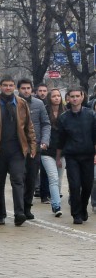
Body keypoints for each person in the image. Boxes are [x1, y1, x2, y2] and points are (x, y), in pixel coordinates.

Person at [0, 75, 36, 226]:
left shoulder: (21, 103)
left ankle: (19, 213)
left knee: (18, 180)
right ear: (0, 86)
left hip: (17, 149)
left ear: (14, 87)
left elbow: (29, 126)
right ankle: (0, 214)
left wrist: (32, 145)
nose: (8, 88)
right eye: (5, 85)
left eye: (11, 85)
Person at [56, 87, 96, 224]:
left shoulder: (91, 115)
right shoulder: (63, 118)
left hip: (88, 155)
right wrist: (58, 157)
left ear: (82, 97)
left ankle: (83, 207)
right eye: (72, 96)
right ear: (68, 98)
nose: (74, 99)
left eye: (77, 96)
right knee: (74, 185)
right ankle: (76, 214)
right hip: (72, 156)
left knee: (87, 185)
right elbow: (60, 139)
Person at [17, 78, 51, 220]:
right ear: (18, 89)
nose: (26, 90)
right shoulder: (14, 103)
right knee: (19, 178)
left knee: (31, 178)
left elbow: (46, 123)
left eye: (28, 88)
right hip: (16, 147)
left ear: (32, 90)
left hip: (34, 147)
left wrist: (44, 140)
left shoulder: (38, 104)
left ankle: (27, 206)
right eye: (23, 88)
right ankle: (18, 208)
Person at [40, 88, 66, 217]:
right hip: (47, 151)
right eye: (54, 96)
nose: (56, 98)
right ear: (49, 98)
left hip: (62, 152)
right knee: (53, 178)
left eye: (58, 96)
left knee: (59, 180)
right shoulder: (44, 110)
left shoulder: (66, 112)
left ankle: (55, 200)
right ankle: (56, 206)